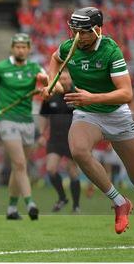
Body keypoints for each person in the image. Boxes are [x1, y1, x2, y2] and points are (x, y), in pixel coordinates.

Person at [41, 6, 134, 244]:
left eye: (83, 32)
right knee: (78, 150)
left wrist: (92, 97)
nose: (77, 38)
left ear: (98, 30)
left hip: (116, 114)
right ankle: (120, 202)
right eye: (74, 32)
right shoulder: (70, 46)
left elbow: (126, 93)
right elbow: (54, 59)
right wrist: (53, 84)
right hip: (87, 113)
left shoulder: (111, 51)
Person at [0, 33, 48, 220]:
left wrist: (46, 85)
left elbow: (56, 89)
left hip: (27, 121)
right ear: (12, 48)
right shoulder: (0, 68)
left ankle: (12, 209)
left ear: (29, 49)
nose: (21, 50)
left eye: (24, 47)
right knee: (20, 163)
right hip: (7, 120)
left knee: (19, 167)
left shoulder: (35, 68)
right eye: (17, 46)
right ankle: (30, 203)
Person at [38, 70, 81, 213]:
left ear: (71, 79)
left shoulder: (77, 94)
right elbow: (43, 116)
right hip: (55, 139)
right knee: (50, 169)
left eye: (66, 78)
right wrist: (41, 134)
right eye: (61, 78)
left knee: (72, 171)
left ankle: (76, 206)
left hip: (72, 139)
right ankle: (62, 197)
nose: (63, 80)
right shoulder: (50, 96)